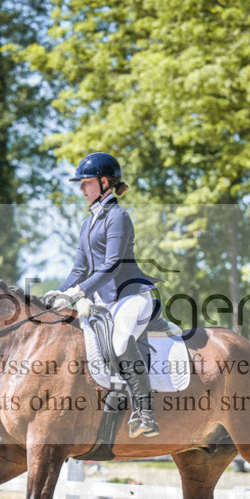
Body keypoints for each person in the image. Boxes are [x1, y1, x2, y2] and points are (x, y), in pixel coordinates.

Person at [43, 152, 160, 438]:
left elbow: (112, 265)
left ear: (104, 182)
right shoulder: (90, 222)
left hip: (130, 295)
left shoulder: (118, 216)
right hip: (104, 299)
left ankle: (145, 413)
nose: (81, 188)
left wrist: (78, 292)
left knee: (120, 339)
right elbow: (80, 268)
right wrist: (59, 292)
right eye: (81, 184)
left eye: (86, 182)